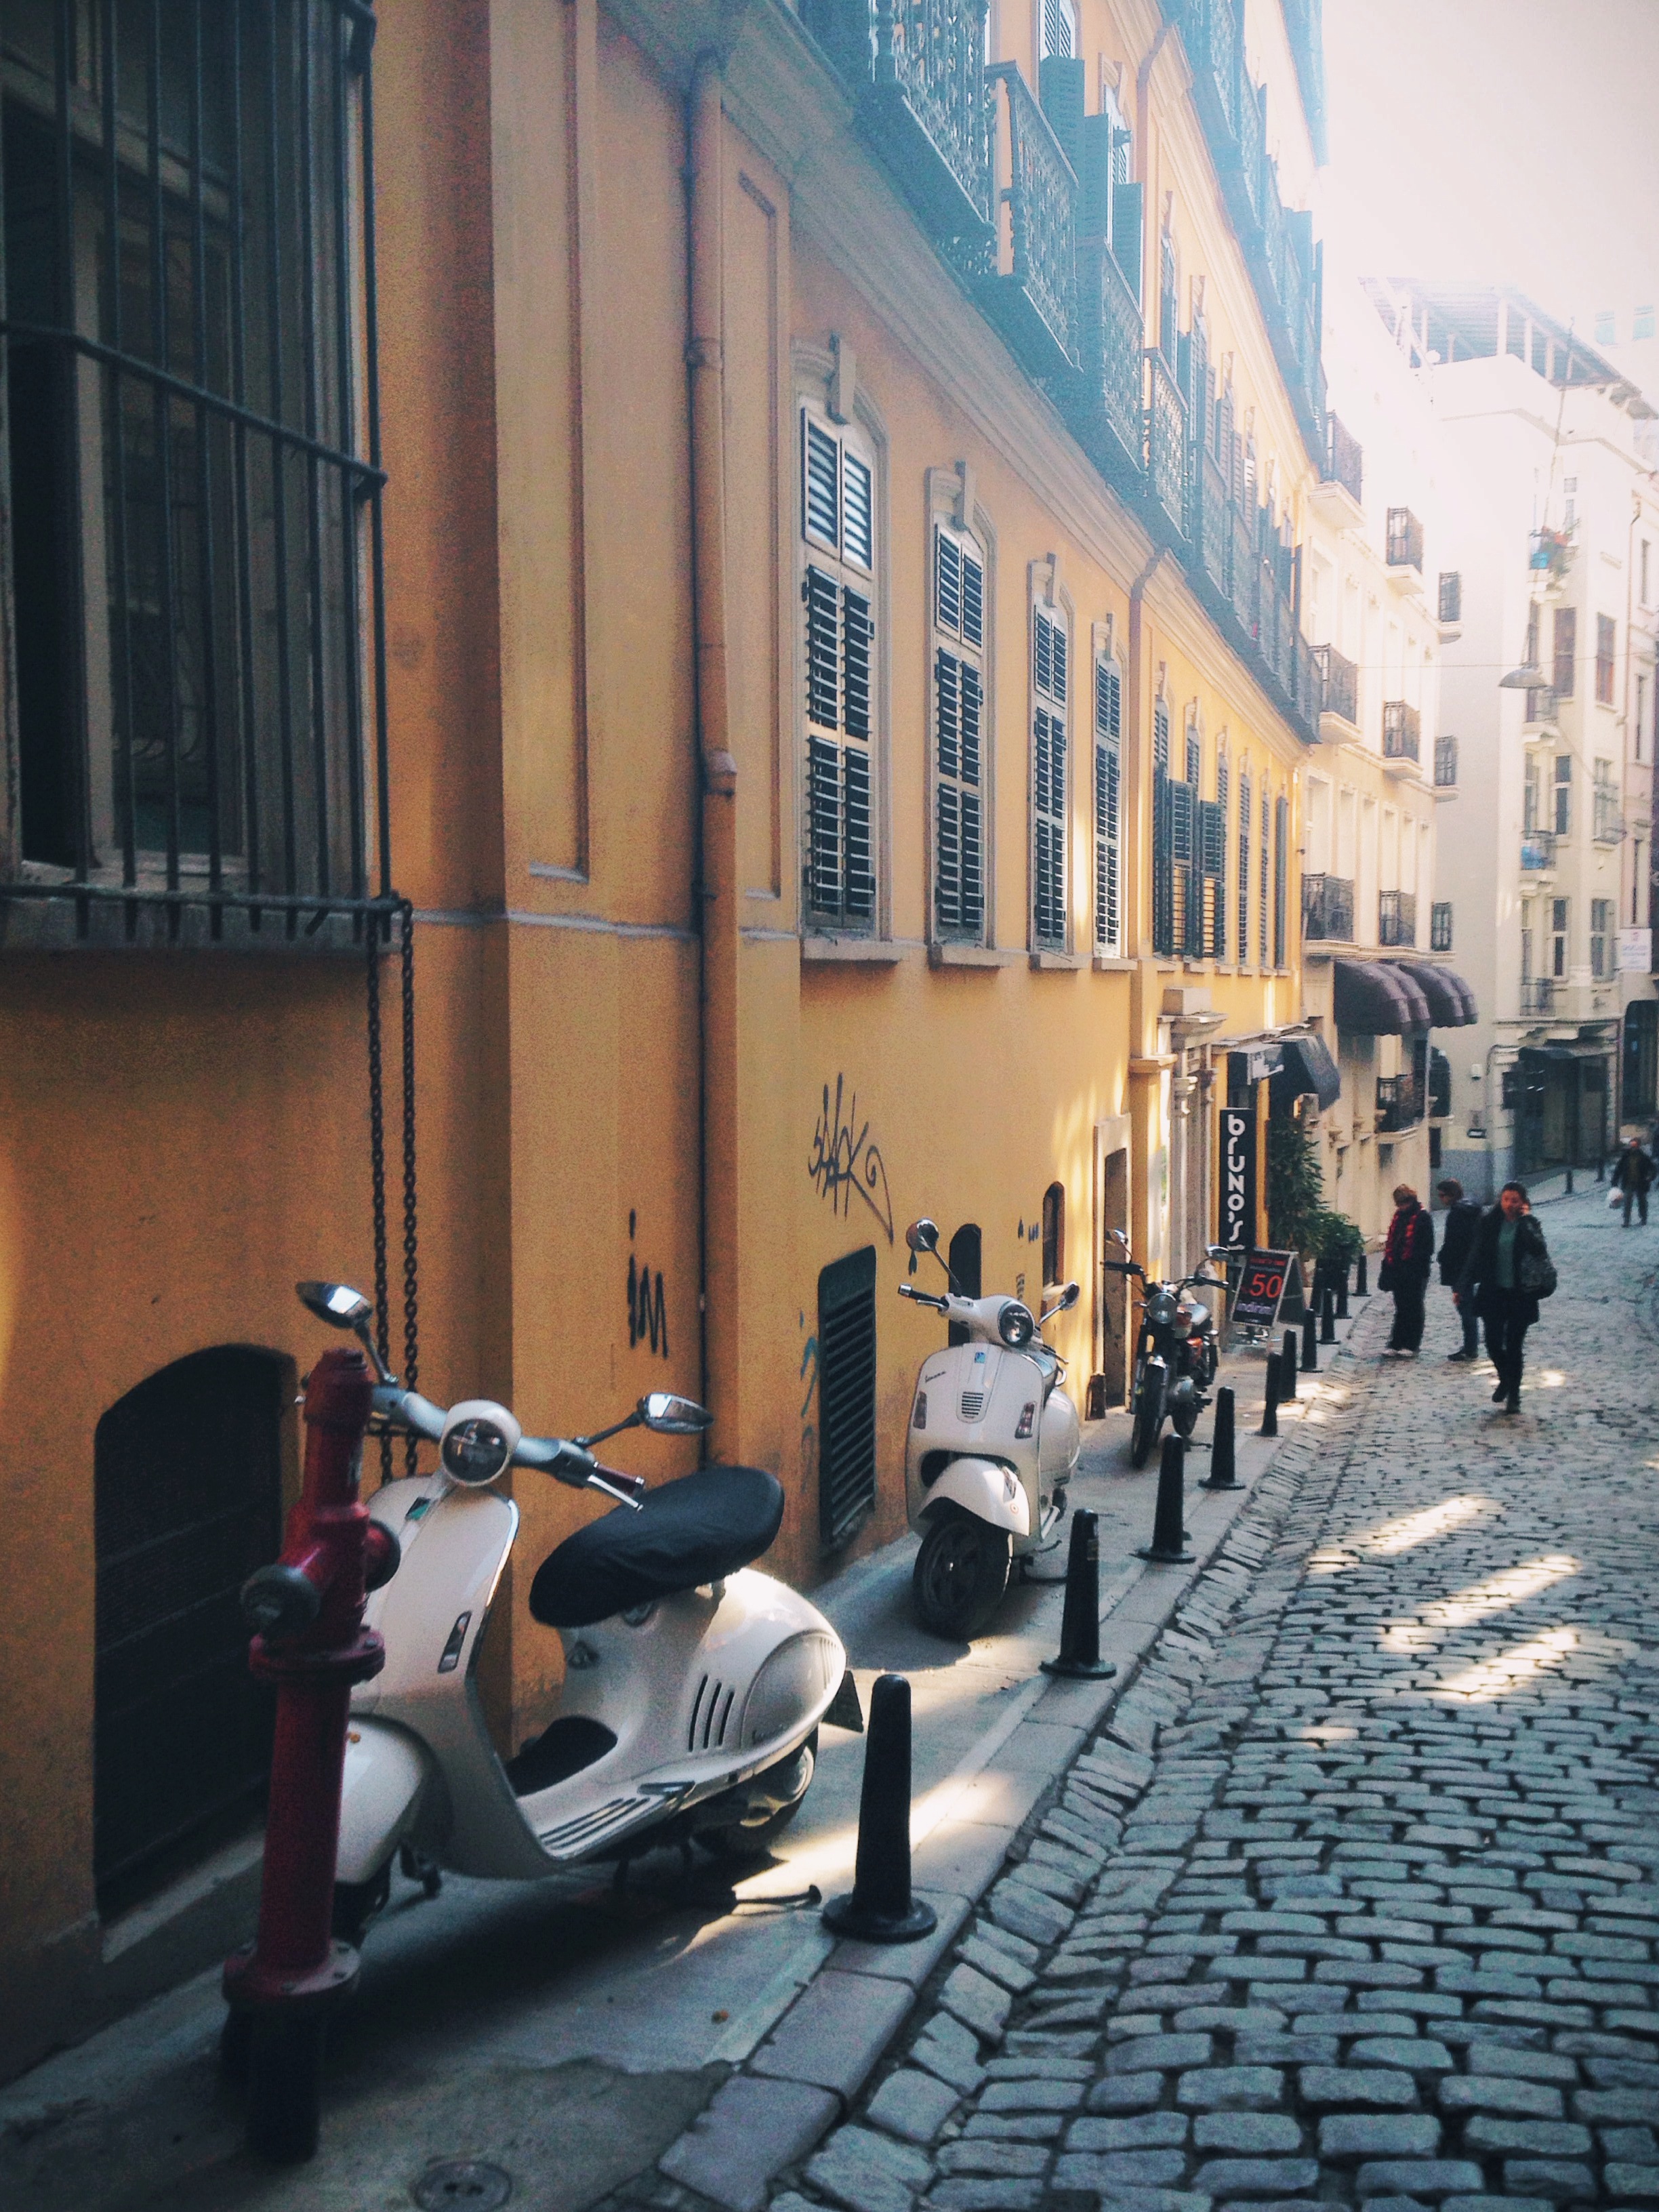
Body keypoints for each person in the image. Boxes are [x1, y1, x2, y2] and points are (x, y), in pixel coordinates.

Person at [1456, 1182, 1553, 1414]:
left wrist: (1527, 1221)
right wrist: (1462, 1286)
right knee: (1491, 1343)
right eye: (1506, 1200)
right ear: (1501, 1201)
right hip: (1494, 1292)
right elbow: (1475, 1255)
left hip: (1521, 1294)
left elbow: (1539, 1249)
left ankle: (1515, 1396)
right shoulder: (1489, 1223)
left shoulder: (1529, 1224)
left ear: (1523, 1202)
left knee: (1514, 1346)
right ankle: (1506, 1380)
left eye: (1515, 1200)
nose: (1510, 1204)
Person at [1378, 1183, 1435, 1357]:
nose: (1401, 1207)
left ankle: (1411, 1344)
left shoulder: (1422, 1217)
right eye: (1399, 1204)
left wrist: (1414, 1262)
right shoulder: (1399, 1216)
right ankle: (1396, 1342)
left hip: (1416, 1270)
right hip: (1398, 1270)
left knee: (1414, 1307)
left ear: (1411, 1200)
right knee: (1401, 1307)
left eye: (1403, 1203)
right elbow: (1393, 1241)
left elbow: (1427, 1246)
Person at [1435, 1178, 1483, 1361]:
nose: (1441, 1199)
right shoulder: (1472, 1209)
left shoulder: (1457, 1213)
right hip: (1471, 1265)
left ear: (1451, 1194)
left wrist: (1443, 1257)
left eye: (1442, 1195)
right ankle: (1470, 1346)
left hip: (1459, 1267)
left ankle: (1470, 1348)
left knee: (1465, 1307)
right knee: (1466, 1306)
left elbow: (1453, 1243)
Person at [1611, 1137, 1654, 1227]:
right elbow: (1619, 1169)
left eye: (1635, 1145)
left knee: (1642, 1201)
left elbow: (1652, 1168)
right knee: (1627, 1202)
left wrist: (1650, 1178)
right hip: (1628, 1182)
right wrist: (1615, 1181)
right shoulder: (1626, 1157)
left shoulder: (1643, 1157)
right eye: (1632, 1145)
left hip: (1641, 1183)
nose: (1633, 1147)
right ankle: (1626, 1220)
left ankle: (1643, 1218)